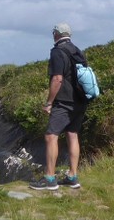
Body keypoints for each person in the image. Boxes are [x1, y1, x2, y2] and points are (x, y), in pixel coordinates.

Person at [29, 23, 87, 190]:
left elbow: (57, 79)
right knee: (72, 135)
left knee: (51, 136)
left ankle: (49, 178)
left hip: (64, 101)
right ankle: (72, 176)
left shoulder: (57, 51)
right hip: (80, 101)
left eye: (53, 32)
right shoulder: (77, 51)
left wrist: (49, 103)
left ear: (56, 34)